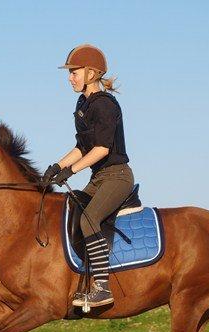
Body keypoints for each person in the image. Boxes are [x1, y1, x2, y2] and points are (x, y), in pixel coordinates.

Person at [43, 44, 135, 308]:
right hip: (98, 178)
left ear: (92, 73)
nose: (70, 77)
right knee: (72, 212)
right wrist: (56, 167)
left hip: (117, 176)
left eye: (74, 72)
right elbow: (82, 146)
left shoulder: (104, 104)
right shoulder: (82, 104)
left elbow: (102, 148)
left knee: (89, 218)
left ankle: (103, 288)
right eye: (69, 73)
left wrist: (72, 170)